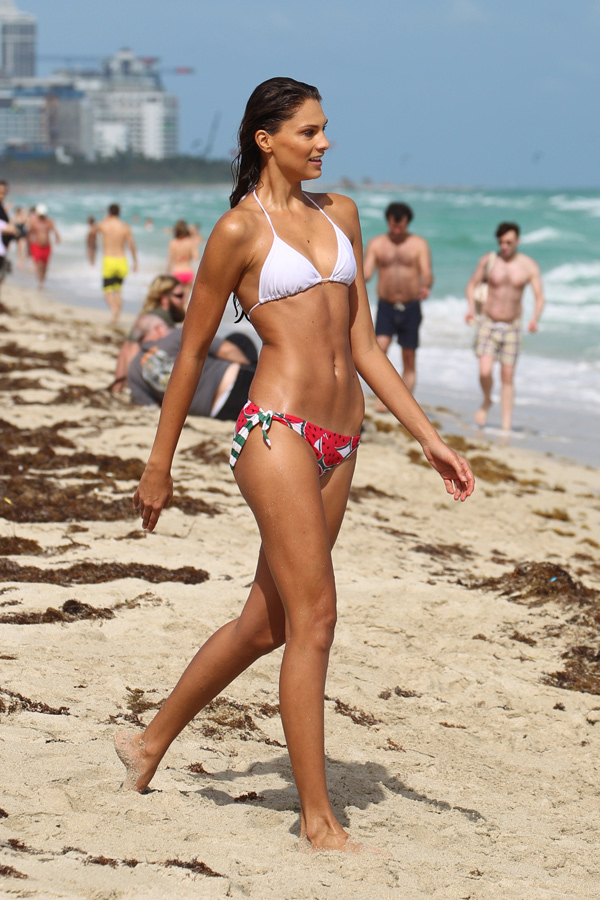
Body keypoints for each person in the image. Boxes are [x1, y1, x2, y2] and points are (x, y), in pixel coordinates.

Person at [115, 77, 474, 852]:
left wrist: (428, 437)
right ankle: (316, 817)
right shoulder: (238, 233)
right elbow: (191, 355)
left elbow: (365, 349)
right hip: (275, 432)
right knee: (317, 617)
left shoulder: (340, 215)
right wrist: (159, 463)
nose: (325, 143)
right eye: (309, 131)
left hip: (342, 440)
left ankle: (148, 743)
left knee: (267, 623)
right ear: (265, 139)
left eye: (325, 129)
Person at [465, 222, 545, 432]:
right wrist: (471, 309)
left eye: (509, 242)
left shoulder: (528, 265)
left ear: (517, 241)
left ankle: (506, 425)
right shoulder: (490, 261)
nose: (504, 246)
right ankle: (486, 400)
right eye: (501, 242)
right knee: (485, 371)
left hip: (512, 327)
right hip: (488, 323)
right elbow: (471, 285)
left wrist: (535, 318)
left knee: (507, 377)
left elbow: (539, 296)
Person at [363, 202, 433, 403]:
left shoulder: (418, 244)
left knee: (408, 357)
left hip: (411, 307)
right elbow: (367, 273)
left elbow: (427, 273)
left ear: (407, 223)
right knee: (379, 350)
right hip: (386, 307)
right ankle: (383, 397)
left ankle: (404, 402)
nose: (396, 230)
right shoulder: (377, 244)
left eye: (400, 226)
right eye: (392, 225)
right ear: (388, 221)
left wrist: (425, 286)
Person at [128, 328, 257, 418]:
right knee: (239, 340)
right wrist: (250, 366)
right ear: (157, 330)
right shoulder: (176, 336)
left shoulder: (133, 373)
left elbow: (150, 407)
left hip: (217, 412)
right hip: (237, 382)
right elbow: (226, 350)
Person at [111, 275, 187, 394]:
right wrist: (122, 386)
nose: (184, 300)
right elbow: (128, 351)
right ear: (164, 298)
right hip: (146, 384)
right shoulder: (154, 323)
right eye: (179, 296)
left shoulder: (155, 319)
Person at [94, 203, 138, 324]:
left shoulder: (103, 224)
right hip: (122, 260)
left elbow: (92, 231)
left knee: (107, 290)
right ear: (119, 212)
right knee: (118, 290)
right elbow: (132, 246)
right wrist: (135, 262)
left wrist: (104, 219)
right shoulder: (125, 227)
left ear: (109, 212)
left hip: (109, 260)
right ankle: (117, 312)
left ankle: (114, 311)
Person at [27, 203, 61, 289]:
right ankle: (40, 282)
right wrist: (28, 247)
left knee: (45, 266)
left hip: (47, 246)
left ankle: (42, 280)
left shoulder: (49, 222)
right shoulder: (34, 223)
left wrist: (57, 238)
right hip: (36, 245)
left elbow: (54, 231)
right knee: (39, 264)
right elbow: (29, 234)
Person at [166, 220, 199, 301]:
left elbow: (170, 260)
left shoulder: (173, 243)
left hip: (177, 273)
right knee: (185, 300)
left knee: (176, 301)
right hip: (188, 272)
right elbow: (196, 257)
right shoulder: (190, 242)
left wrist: (167, 273)